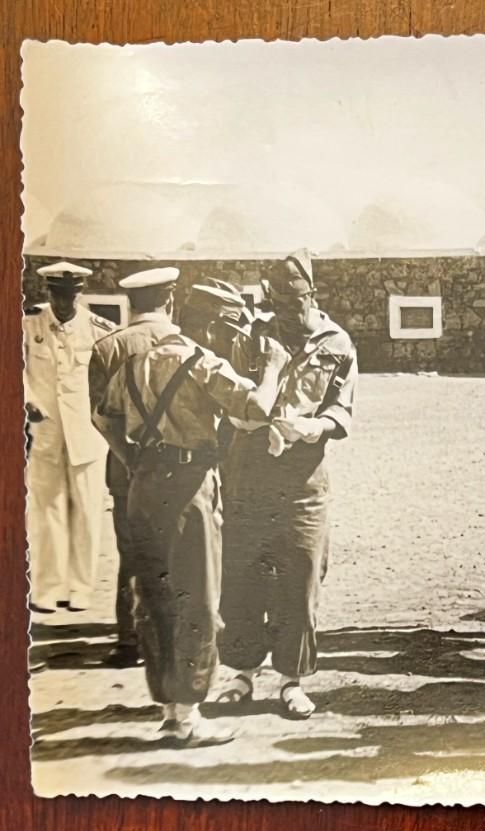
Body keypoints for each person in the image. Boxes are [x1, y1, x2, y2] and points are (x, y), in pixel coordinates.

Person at [93, 282, 288, 745]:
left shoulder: (136, 362)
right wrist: (275, 369)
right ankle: (190, 714)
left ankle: (168, 709)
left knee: (154, 597)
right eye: (231, 327)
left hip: (143, 486)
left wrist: (134, 461)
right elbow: (257, 409)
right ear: (214, 325)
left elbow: (103, 418)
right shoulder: (202, 362)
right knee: (196, 598)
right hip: (188, 486)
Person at [216, 249, 358, 720]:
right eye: (278, 302)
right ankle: (240, 674)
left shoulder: (337, 343)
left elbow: (342, 409)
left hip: (303, 478)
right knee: (243, 576)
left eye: (295, 303)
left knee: (300, 576)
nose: (286, 313)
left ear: (312, 295)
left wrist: (316, 428)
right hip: (249, 474)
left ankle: (291, 681)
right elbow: (235, 407)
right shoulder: (252, 338)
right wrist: (265, 422)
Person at [87, 266, 181, 667]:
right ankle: (172, 636)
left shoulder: (107, 348)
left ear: (129, 302)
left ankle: (129, 641)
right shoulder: (183, 343)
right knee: (176, 551)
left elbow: (98, 415)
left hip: (126, 469)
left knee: (130, 553)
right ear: (171, 299)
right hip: (177, 467)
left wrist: (128, 457)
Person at [25, 261, 116, 614]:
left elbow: (110, 381)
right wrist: (27, 400)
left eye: (71, 295)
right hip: (46, 432)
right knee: (47, 510)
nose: (64, 302)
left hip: (87, 435)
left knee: (87, 511)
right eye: (58, 294)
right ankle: (47, 589)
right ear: (48, 292)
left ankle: (79, 588)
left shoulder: (98, 328)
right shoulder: (28, 322)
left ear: (80, 293)